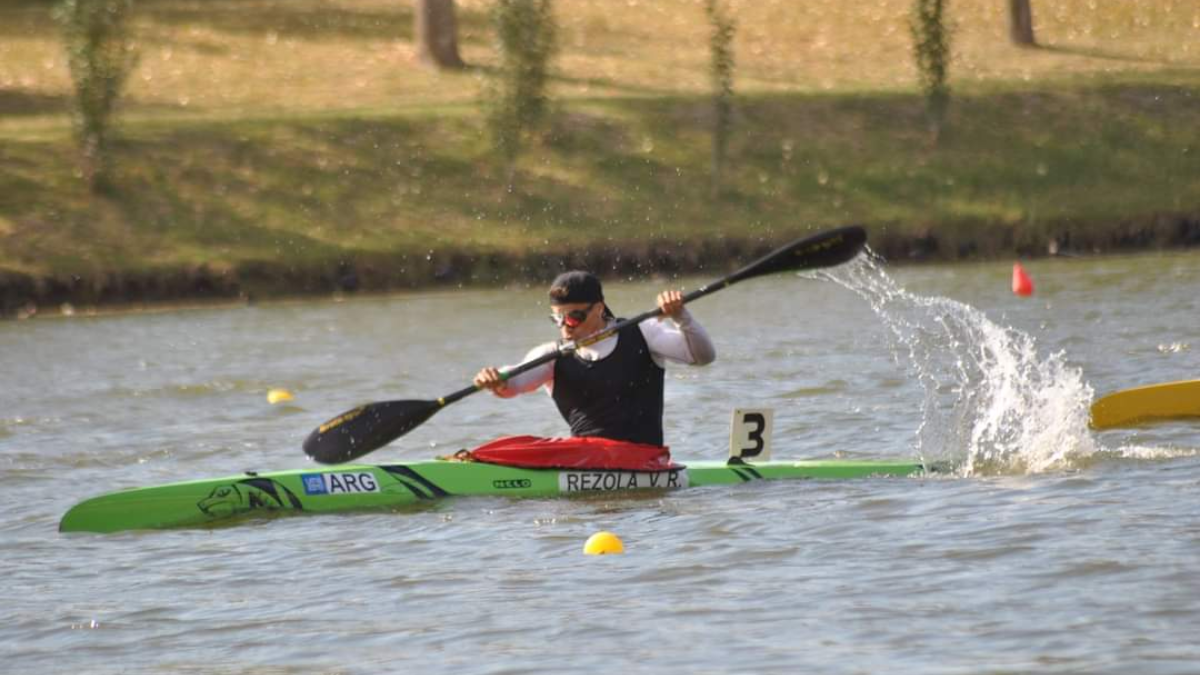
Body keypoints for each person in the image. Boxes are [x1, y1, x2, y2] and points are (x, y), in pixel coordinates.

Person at [473, 270, 716, 448]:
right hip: (585, 461)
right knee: (513, 446)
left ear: (599, 309)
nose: (565, 326)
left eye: (574, 316)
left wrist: (681, 316)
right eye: (558, 318)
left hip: (644, 460)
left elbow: (703, 356)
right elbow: (514, 382)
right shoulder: (552, 356)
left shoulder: (642, 332)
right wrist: (497, 379)